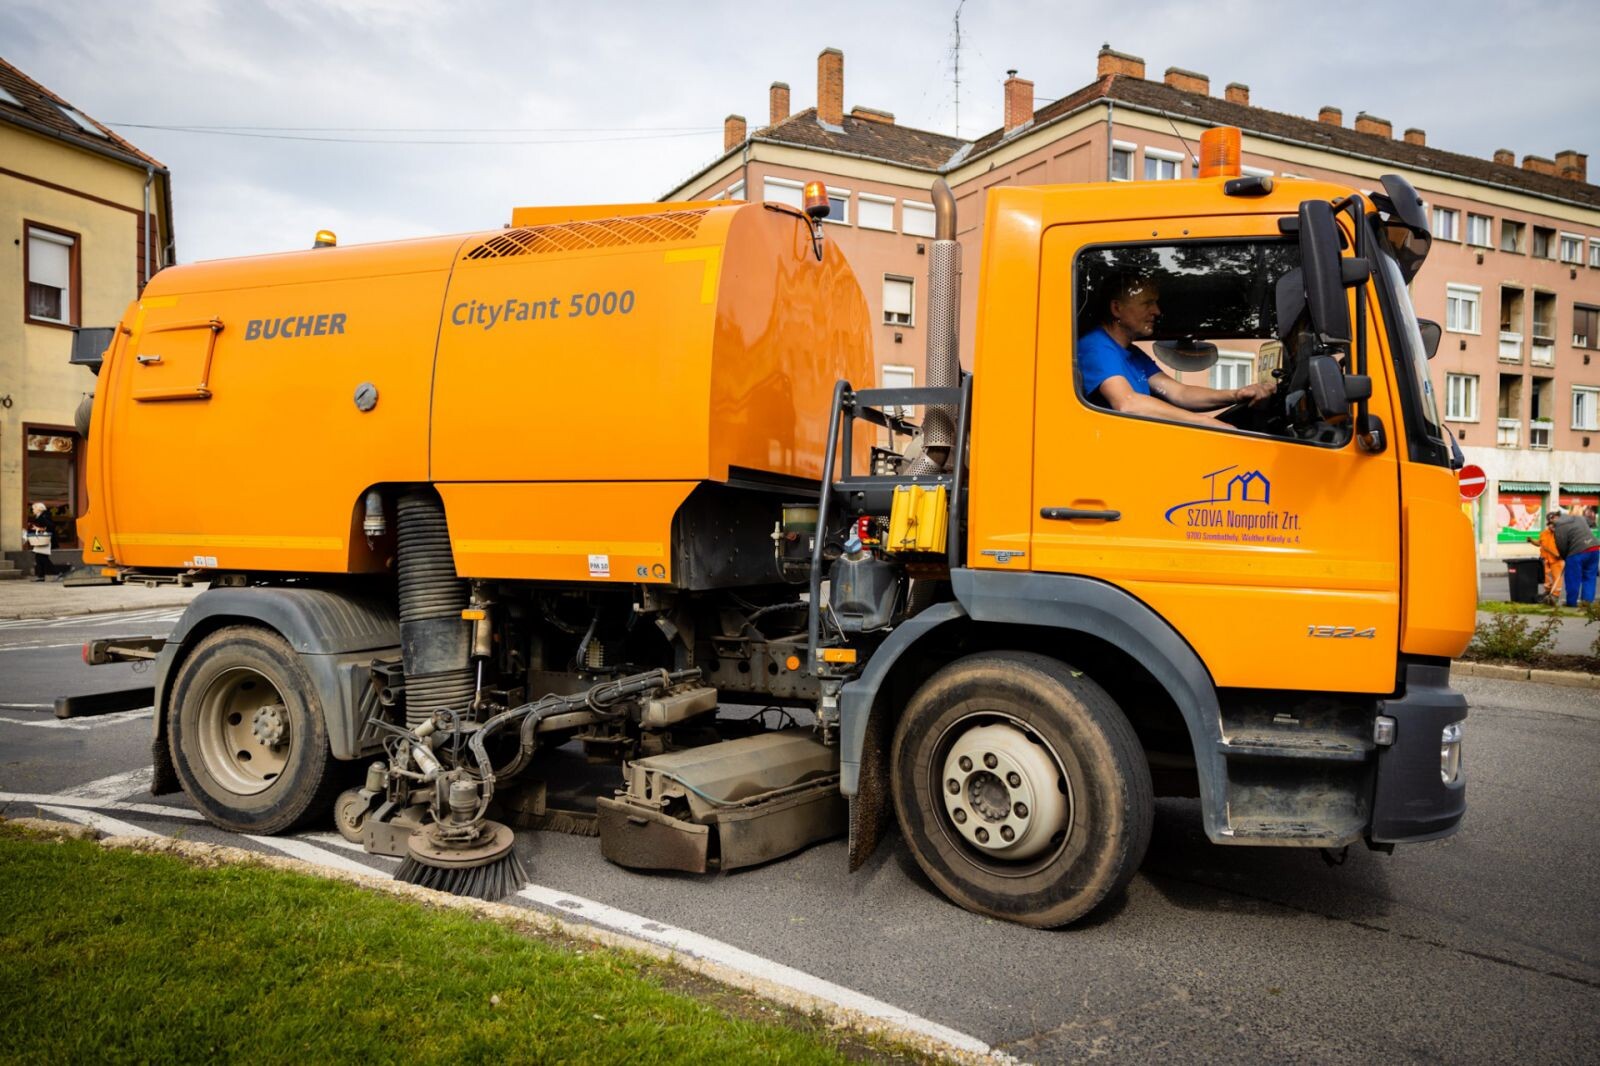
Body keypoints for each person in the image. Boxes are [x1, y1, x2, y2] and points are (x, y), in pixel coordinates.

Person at [1077, 275, 1276, 427]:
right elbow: (1128, 403)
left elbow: (1179, 393)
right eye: (1147, 303)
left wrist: (1236, 394)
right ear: (1117, 308)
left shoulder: (1132, 353)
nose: (1157, 311)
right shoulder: (1095, 347)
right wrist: (1206, 424)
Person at [1550, 506, 1600, 607]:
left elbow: (1561, 545)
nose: (1550, 527)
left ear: (1554, 520)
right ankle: (1587, 603)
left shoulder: (1559, 526)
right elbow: (1592, 523)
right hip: (1594, 548)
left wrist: (1565, 558)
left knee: (1573, 578)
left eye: (1550, 524)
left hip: (1577, 552)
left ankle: (1571, 603)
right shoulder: (1578, 518)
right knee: (1589, 577)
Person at [24, 502, 62, 581]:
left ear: (39, 509)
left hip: (45, 540)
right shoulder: (40, 516)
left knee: (42, 558)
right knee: (40, 557)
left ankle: (56, 573)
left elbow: (50, 526)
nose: (33, 510)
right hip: (41, 540)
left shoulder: (44, 516)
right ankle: (41, 576)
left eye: (34, 508)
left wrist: (38, 529)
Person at [1537, 511, 1565, 606]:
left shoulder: (1562, 533)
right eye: (1550, 523)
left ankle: (1555, 596)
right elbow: (1539, 543)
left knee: (1557, 578)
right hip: (1546, 559)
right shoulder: (1544, 533)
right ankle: (1548, 592)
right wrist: (1531, 541)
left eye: (1554, 523)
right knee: (1548, 578)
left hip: (1557, 560)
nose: (1552, 526)